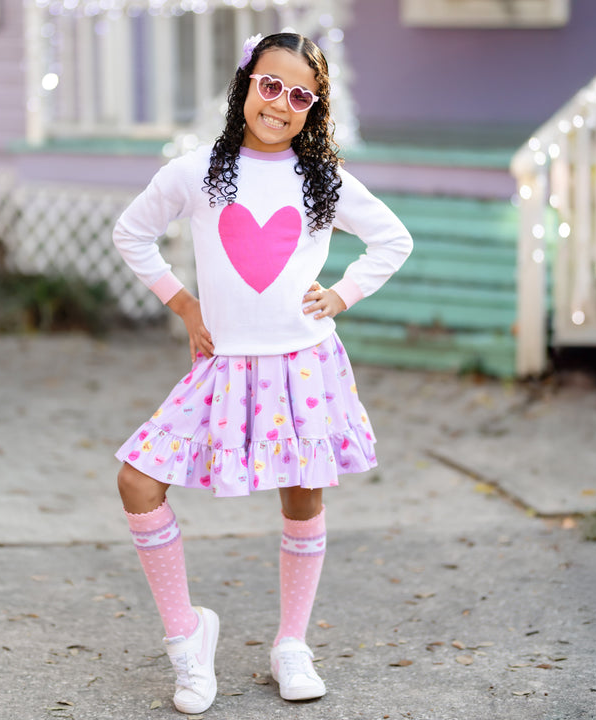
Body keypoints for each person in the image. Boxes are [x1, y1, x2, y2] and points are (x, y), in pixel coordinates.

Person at [112, 32, 413, 714]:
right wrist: (183, 303)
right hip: (221, 365)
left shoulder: (322, 179)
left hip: (302, 365)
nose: (280, 103)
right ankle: (188, 639)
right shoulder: (197, 172)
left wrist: (342, 294)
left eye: (299, 94)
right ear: (245, 84)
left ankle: (291, 644)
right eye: (269, 85)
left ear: (315, 107)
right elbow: (131, 232)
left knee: (303, 497)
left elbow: (393, 238)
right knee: (137, 479)